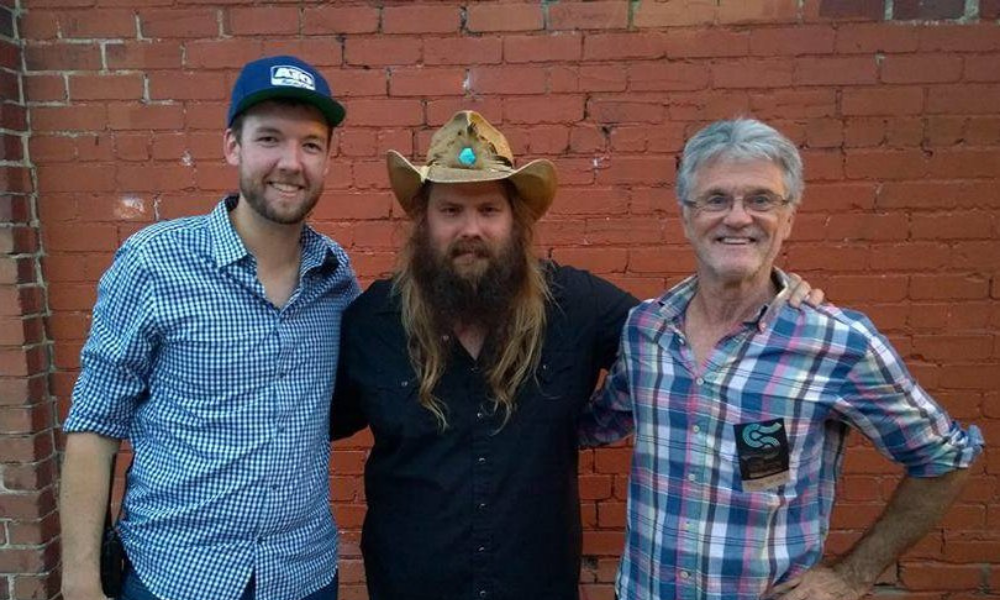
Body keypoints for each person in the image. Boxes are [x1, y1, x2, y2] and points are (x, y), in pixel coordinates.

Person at [329, 111, 820, 600]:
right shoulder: (373, 322)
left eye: (489, 210)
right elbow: (308, 424)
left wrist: (765, 292)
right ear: (424, 221)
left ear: (516, 221)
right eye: (451, 210)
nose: (470, 229)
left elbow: (682, 339)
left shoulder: (576, 305)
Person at [579, 118, 984, 600]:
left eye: (761, 199)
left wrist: (852, 576)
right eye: (715, 199)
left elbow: (947, 458)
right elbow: (594, 424)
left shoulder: (836, 342)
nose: (737, 217)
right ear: (686, 217)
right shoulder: (647, 331)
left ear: (788, 218)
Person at [60, 55, 359, 600]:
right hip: (176, 574)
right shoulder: (153, 264)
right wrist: (80, 581)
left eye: (311, 144)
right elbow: (93, 428)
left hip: (303, 575)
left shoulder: (336, 278)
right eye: (269, 138)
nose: (291, 162)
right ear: (232, 146)